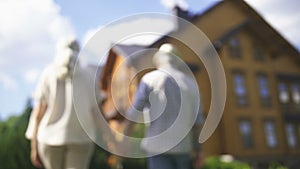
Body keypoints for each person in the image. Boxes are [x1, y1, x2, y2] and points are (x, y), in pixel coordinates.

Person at [124, 43, 205, 169]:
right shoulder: (191, 84)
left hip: (157, 148)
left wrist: (123, 141)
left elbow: (133, 114)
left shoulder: (148, 79)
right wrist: (199, 151)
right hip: (183, 148)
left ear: (159, 61)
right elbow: (197, 122)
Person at [25, 37, 102, 169]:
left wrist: (34, 146)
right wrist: (111, 139)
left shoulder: (48, 73)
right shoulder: (89, 75)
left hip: (49, 138)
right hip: (81, 138)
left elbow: (39, 112)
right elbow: (96, 113)